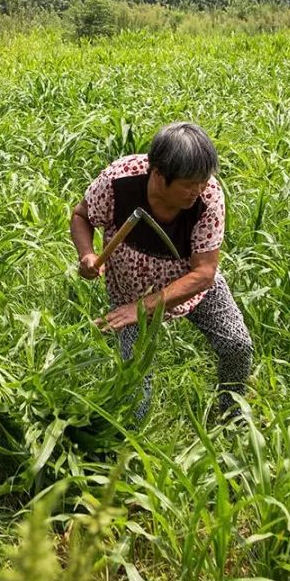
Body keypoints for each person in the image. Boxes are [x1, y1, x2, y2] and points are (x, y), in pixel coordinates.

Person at [69, 122, 253, 422]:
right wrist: (87, 254)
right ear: (158, 175)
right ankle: (129, 443)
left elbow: (204, 273)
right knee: (136, 393)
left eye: (203, 181)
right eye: (188, 184)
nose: (198, 190)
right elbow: (82, 216)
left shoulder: (208, 198)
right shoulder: (119, 181)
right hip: (130, 292)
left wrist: (141, 309)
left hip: (190, 288)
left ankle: (232, 414)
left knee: (237, 344)